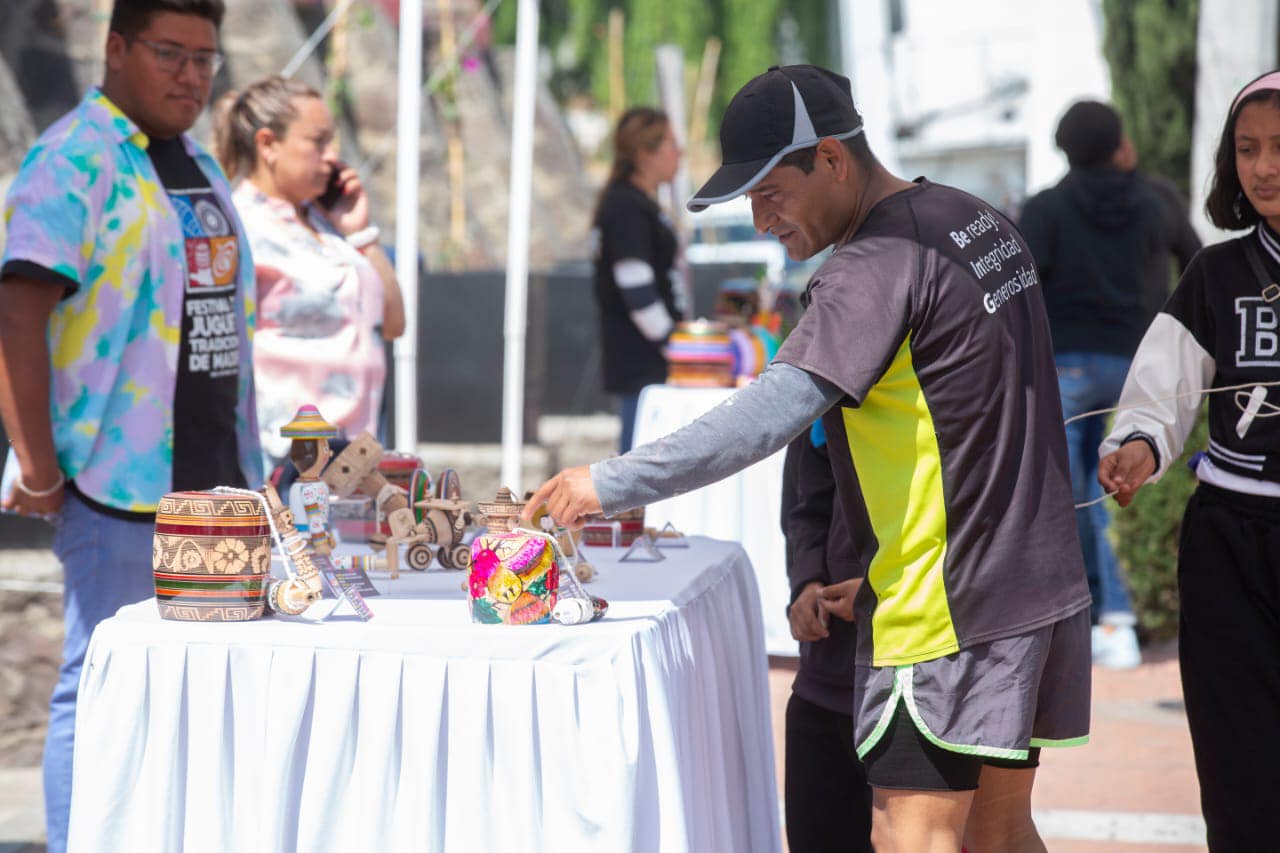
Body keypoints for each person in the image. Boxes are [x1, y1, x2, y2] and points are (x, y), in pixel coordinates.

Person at [527, 64, 1091, 852]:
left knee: (912, 832)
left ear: (830, 158)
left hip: (946, 606)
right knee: (998, 833)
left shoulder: (871, 266)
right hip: (1033, 582)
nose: (760, 220)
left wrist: (610, 480)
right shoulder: (977, 219)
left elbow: (767, 416)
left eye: (769, 192)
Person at [0, 1, 260, 849]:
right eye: (169, 53)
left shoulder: (192, 161)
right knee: (101, 684)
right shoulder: (71, 161)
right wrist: (39, 469)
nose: (190, 75)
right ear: (115, 49)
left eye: (205, 59)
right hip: (118, 479)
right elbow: (16, 318)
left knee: (200, 692)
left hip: (219, 482)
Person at [1098, 69, 1280, 850]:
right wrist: (1137, 446)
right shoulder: (1217, 273)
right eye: (1247, 148)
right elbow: (1160, 393)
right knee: (1242, 764)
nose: (1264, 165)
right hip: (1231, 546)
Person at [1019, 100, 1201, 669]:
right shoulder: (1157, 199)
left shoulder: (1044, 209)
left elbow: (1016, 293)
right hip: (1139, 364)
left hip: (1065, 367)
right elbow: (1198, 266)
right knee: (1126, 487)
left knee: (1074, 497)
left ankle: (1087, 618)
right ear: (1121, 143)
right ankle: (1122, 619)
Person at [212, 74, 405, 472]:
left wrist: (361, 233)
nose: (332, 156)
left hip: (354, 458)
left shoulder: (328, 225)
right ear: (268, 144)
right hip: (281, 462)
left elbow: (393, 324)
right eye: (317, 142)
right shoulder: (238, 225)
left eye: (331, 141)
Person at [780, 421, 872, 853]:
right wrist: (806, 581)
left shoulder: (954, 375)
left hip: (915, 683)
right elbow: (804, 505)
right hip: (824, 674)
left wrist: (880, 594)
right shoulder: (823, 383)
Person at [591, 106, 685, 452]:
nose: (680, 153)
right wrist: (676, 347)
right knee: (640, 463)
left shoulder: (636, 202)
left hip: (649, 359)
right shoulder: (626, 207)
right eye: (671, 145)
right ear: (645, 153)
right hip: (642, 362)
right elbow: (637, 289)